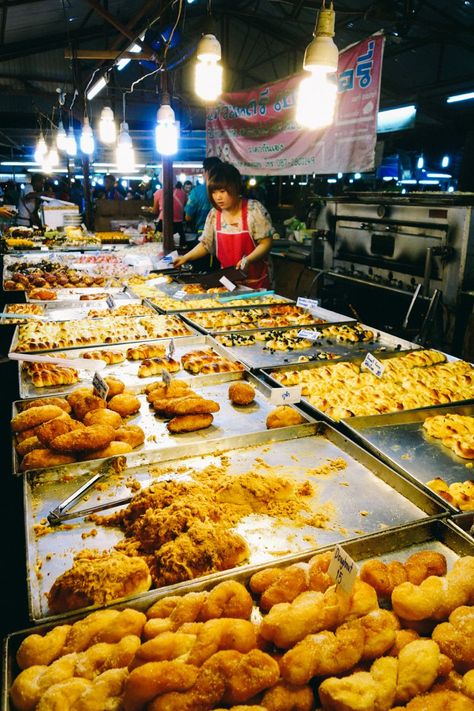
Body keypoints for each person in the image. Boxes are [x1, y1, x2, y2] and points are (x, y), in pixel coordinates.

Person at [174, 162, 273, 289]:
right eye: (214, 192)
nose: (218, 197)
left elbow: (266, 243)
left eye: (222, 191)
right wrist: (185, 257)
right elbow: (206, 244)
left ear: (235, 187)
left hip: (256, 282)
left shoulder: (253, 209)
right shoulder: (214, 214)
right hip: (228, 281)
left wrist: (248, 260)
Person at [184, 156, 222, 233]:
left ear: (207, 172)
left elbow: (188, 217)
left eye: (203, 171)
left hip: (203, 232)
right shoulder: (227, 190)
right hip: (223, 232)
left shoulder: (196, 192)